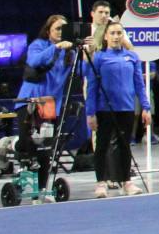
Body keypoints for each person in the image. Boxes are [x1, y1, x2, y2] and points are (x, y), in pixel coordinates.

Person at [84, 13, 151, 196]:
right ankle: (101, 183)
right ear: (105, 36)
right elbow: (91, 86)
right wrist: (90, 113)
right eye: (112, 33)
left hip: (126, 108)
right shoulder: (98, 58)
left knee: (124, 145)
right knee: (103, 145)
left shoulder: (132, 57)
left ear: (123, 36)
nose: (115, 37)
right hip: (105, 109)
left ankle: (126, 181)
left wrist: (146, 108)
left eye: (119, 33)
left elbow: (139, 84)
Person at [16, 13, 74, 112]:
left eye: (64, 29)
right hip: (30, 101)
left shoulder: (71, 52)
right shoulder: (38, 44)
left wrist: (88, 54)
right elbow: (34, 61)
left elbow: (83, 72)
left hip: (52, 106)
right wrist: (56, 47)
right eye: (58, 28)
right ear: (48, 31)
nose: (61, 32)